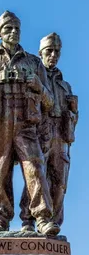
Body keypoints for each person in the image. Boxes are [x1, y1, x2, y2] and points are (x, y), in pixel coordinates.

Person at [0, 11, 60, 235]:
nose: (13, 32)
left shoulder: (34, 62)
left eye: (16, 28)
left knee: (35, 167)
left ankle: (42, 218)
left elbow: (50, 102)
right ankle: (1, 218)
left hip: (26, 124)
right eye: (8, 28)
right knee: (0, 173)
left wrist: (38, 86)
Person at [20, 32, 78, 230]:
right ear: (41, 53)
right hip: (39, 131)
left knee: (60, 181)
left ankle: (52, 223)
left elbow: (73, 117)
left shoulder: (65, 85)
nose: (53, 55)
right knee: (36, 175)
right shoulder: (35, 77)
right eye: (49, 51)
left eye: (56, 51)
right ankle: (28, 219)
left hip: (60, 135)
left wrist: (73, 112)